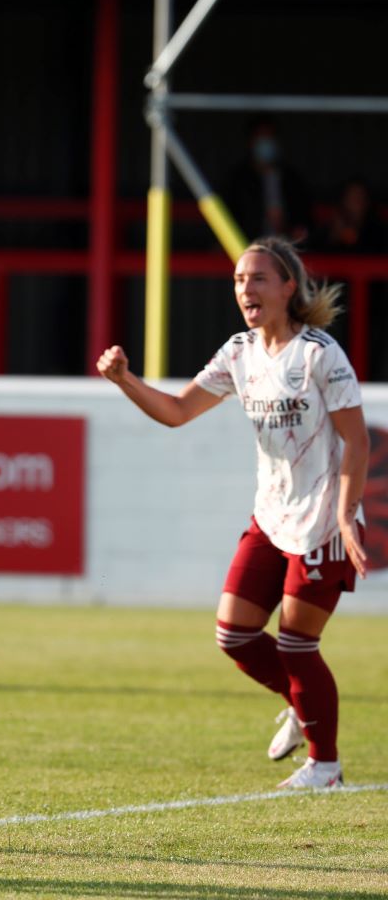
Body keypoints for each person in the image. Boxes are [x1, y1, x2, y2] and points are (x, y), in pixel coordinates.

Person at [97, 236, 369, 789]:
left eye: (258, 278)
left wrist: (346, 515)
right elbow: (177, 411)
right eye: (240, 280)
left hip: (322, 521)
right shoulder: (240, 353)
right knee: (235, 633)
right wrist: (124, 380)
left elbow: (358, 442)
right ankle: (301, 702)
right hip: (270, 517)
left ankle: (326, 764)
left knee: (296, 644)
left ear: (288, 287)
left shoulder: (319, 354)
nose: (245, 288)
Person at [223, 118, 311, 243]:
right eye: (261, 137)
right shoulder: (237, 181)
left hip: (286, 249)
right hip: (247, 249)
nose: (265, 142)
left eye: (269, 136)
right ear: (250, 141)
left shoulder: (292, 179)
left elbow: (304, 219)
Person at [314, 177, 386, 255]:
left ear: (367, 201)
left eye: (360, 196)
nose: (355, 201)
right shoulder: (330, 227)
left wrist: (355, 240)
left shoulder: (378, 230)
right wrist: (333, 238)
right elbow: (315, 255)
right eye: (351, 196)